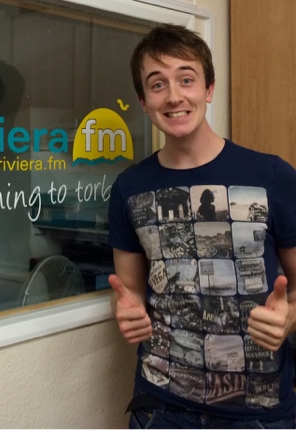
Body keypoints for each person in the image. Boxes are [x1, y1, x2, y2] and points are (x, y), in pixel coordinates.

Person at [107, 23, 296, 428]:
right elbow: (131, 291)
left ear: (209, 89)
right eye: (157, 84)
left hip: (258, 414)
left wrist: (290, 316)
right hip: (161, 410)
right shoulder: (129, 188)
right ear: (143, 101)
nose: (174, 96)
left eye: (186, 79)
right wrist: (127, 309)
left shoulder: (273, 176)